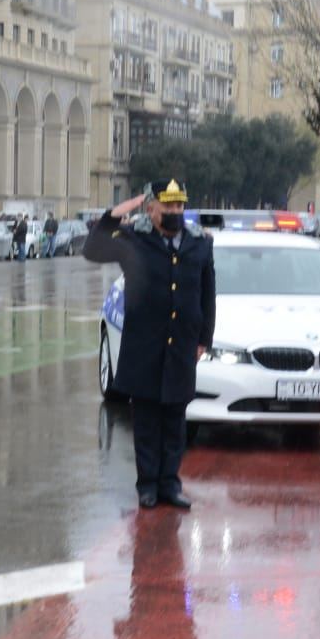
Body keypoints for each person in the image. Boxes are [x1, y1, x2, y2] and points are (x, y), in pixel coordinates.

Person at [83, 179, 216, 510]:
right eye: (167, 206)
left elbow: (207, 295)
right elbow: (94, 244)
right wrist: (125, 207)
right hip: (144, 346)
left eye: (179, 206)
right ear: (151, 207)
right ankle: (147, 486)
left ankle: (170, 484)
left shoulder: (201, 244)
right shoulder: (134, 239)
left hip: (181, 347)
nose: (175, 212)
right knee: (146, 422)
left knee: (174, 422)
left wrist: (204, 340)